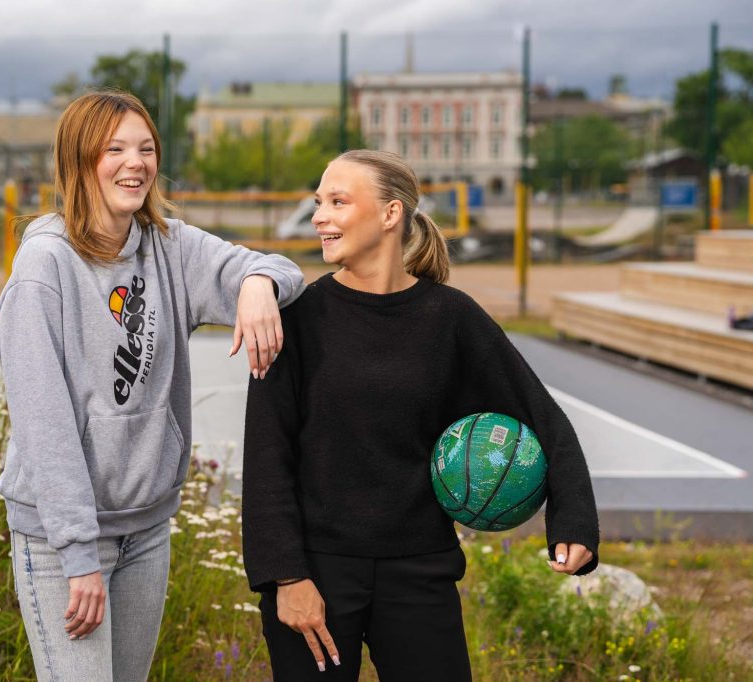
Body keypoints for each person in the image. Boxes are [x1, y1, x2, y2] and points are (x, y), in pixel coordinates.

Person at [242, 149, 599, 681]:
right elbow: (266, 458)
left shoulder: (450, 318)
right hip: (315, 574)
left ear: (390, 214)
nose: (319, 216)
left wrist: (572, 518)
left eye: (338, 201)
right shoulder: (296, 319)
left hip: (419, 570)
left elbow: (540, 415)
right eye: (319, 202)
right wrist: (285, 578)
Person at [0, 89, 305, 682]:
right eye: (115, 149)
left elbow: (284, 269)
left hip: (146, 530)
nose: (135, 162)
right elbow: (44, 424)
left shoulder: (168, 245)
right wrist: (79, 553)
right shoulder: (43, 269)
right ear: (78, 162)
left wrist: (258, 284)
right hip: (63, 545)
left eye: (146, 148)